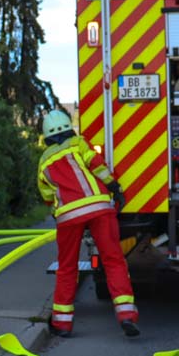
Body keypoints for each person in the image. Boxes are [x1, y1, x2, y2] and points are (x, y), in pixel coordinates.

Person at [36, 108, 138, 338]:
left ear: (47, 136)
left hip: (68, 216)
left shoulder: (43, 161)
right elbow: (97, 165)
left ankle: (62, 323)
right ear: (68, 127)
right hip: (99, 209)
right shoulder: (79, 143)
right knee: (113, 261)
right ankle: (126, 314)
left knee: (67, 268)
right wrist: (114, 187)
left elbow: (46, 195)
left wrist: (57, 211)